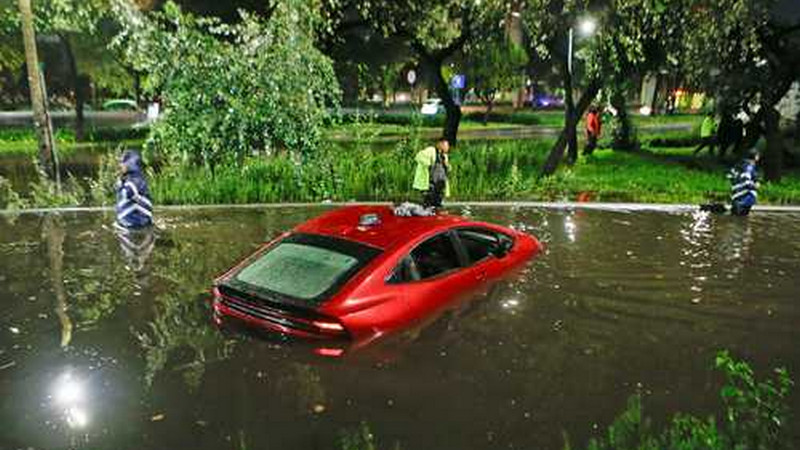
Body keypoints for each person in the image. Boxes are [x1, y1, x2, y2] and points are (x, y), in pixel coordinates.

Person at [115, 149, 153, 229]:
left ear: (130, 164)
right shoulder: (139, 179)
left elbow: (129, 192)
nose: (120, 165)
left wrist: (121, 186)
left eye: (122, 162)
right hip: (143, 223)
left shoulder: (133, 181)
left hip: (131, 225)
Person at [412, 137, 450, 209]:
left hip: (440, 185)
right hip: (430, 183)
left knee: (438, 203)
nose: (448, 147)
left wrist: (448, 167)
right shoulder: (431, 150)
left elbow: (445, 169)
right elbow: (418, 156)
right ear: (440, 144)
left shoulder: (444, 156)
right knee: (428, 202)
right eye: (446, 145)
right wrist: (428, 164)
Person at [728, 148, 759, 216]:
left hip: (735, 193)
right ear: (755, 156)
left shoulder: (740, 164)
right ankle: (740, 206)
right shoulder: (749, 166)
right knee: (752, 195)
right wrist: (754, 186)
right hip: (744, 194)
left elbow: (730, 175)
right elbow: (746, 179)